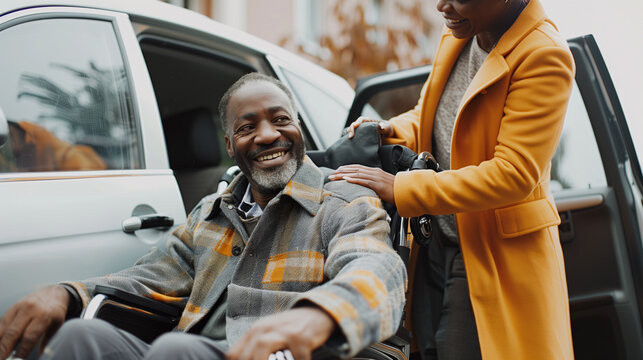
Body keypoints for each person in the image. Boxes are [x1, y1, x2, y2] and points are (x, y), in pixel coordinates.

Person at [0, 73, 407, 360]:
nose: (267, 135)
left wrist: (321, 315)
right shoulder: (210, 215)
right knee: (81, 336)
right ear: (230, 145)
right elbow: (148, 277)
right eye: (248, 127)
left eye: (281, 120)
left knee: (177, 350)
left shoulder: (342, 201)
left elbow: (376, 269)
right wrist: (69, 293)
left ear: (299, 128)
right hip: (188, 351)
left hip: (288, 354)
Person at [330, 0, 575, 359]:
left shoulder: (544, 54)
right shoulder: (462, 28)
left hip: (491, 251)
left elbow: (513, 174)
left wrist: (399, 187)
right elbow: (435, 115)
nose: (442, 6)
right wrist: (392, 128)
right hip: (436, 241)